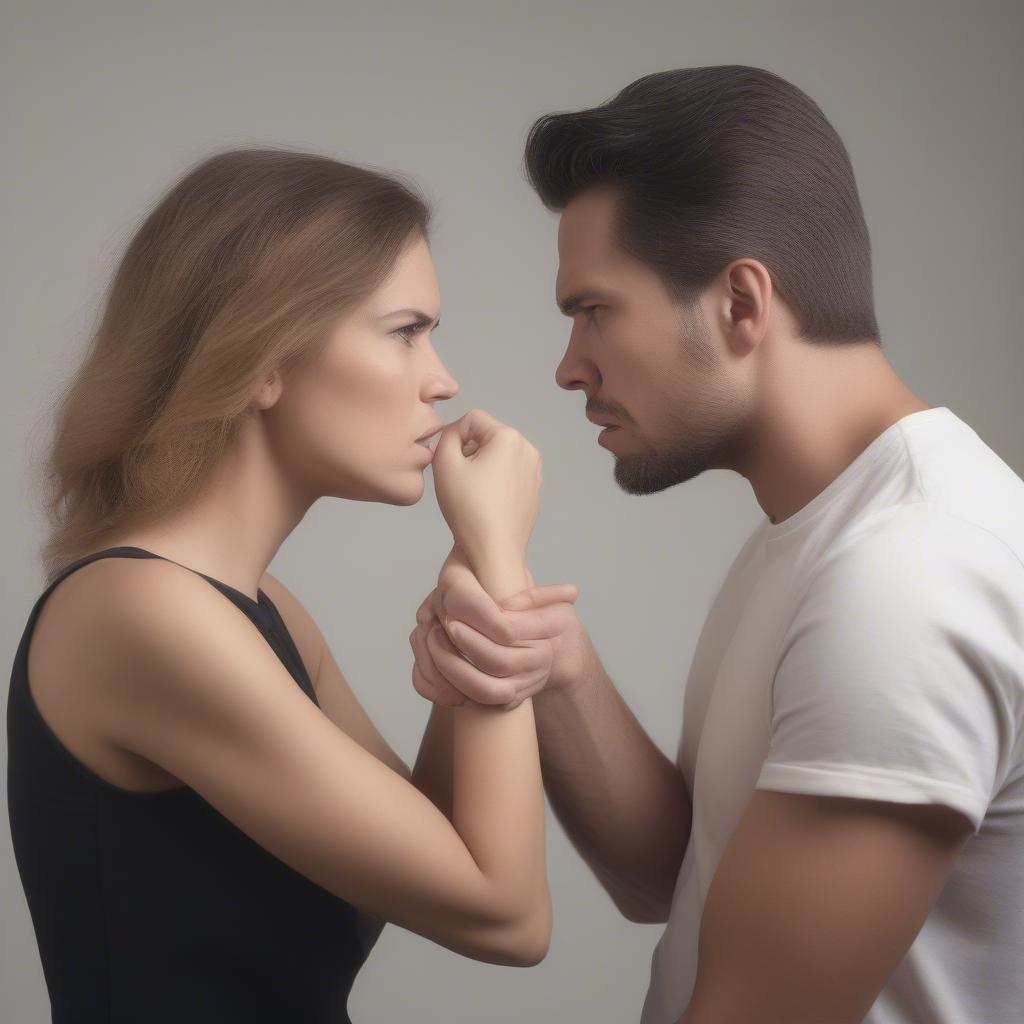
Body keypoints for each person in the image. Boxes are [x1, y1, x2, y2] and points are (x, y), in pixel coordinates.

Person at [410, 66, 1024, 1024]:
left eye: (593, 310)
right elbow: (677, 879)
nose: (569, 367)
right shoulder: (821, 535)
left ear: (741, 302)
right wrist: (556, 668)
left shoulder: (908, 577)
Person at [7, 148, 576, 1023]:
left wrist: (469, 597)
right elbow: (505, 914)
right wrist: (498, 557)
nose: (443, 379)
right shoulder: (137, 616)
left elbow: (433, 846)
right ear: (262, 358)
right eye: (405, 331)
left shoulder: (262, 610)